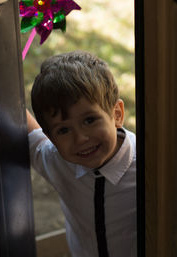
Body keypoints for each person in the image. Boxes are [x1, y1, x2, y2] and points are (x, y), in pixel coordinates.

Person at [27, 50, 136, 257]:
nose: (80, 139)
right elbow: (30, 132)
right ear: (51, 137)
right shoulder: (54, 159)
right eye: (63, 130)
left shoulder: (151, 167)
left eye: (89, 120)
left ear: (117, 114)